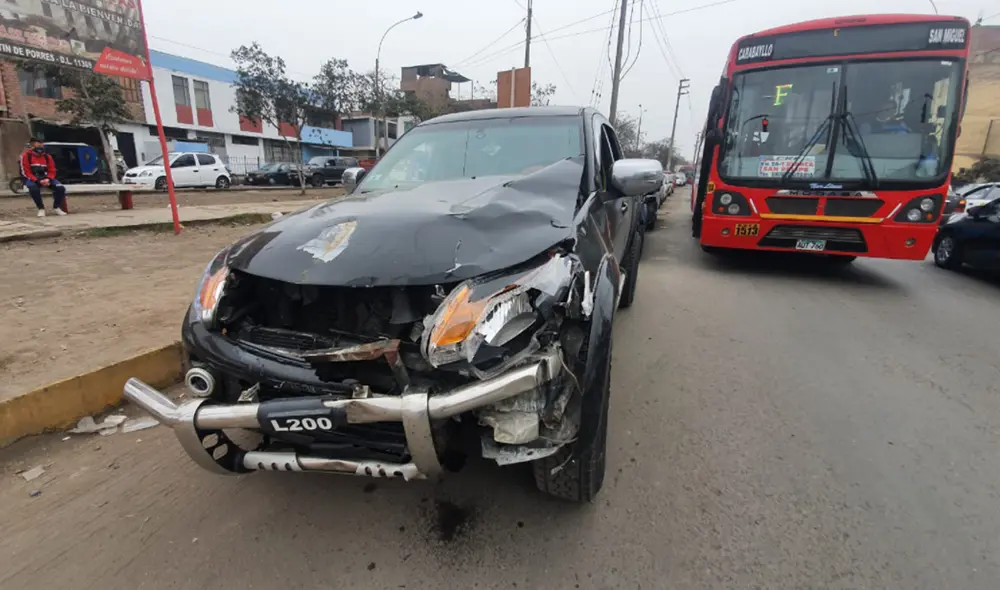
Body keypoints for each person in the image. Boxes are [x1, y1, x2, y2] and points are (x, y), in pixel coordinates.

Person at [20, 138, 67, 217]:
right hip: (33, 178)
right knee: (33, 188)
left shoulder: (47, 157)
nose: (40, 148)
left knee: (60, 188)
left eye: (41, 146)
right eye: (38, 146)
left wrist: (48, 179)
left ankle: (56, 207)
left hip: (46, 178)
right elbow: (26, 172)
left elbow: (52, 170)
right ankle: (41, 208)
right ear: (32, 146)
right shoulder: (26, 156)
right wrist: (37, 180)